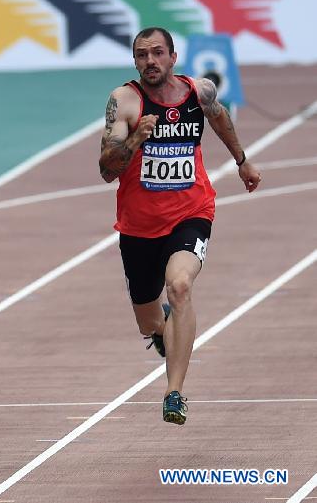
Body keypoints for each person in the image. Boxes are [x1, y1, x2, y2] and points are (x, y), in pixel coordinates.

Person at [98, 26, 261, 426]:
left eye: (157, 53)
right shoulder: (125, 101)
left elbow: (219, 118)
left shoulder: (199, 91)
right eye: (141, 55)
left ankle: (174, 392)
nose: (150, 61)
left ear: (173, 57)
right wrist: (136, 138)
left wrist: (242, 161)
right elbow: (106, 169)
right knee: (149, 318)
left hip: (192, 212)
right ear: (135, 62)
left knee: (181, 285)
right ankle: (160, 330)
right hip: (138, 226)